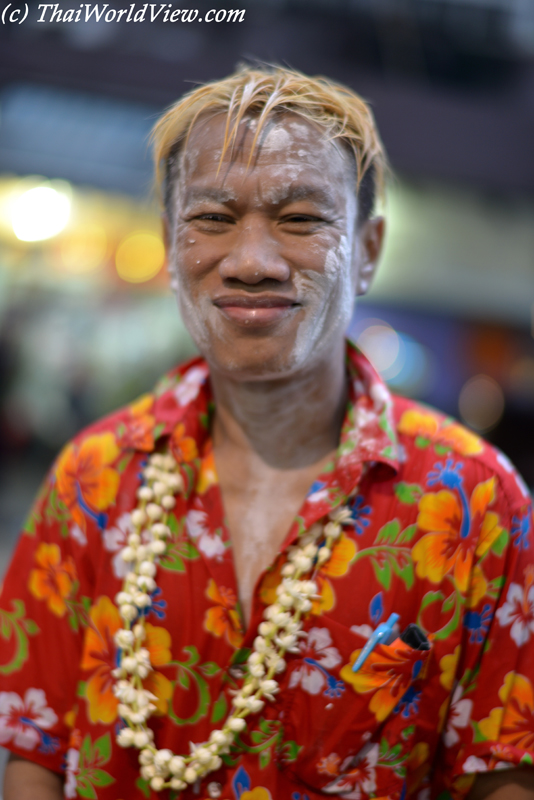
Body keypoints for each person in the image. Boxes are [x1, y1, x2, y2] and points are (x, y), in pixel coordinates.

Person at [1, 64, 533, 800]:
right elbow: (36, 753)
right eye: (213, 219)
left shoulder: (476, 503)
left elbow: (503, 773)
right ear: (170, 244)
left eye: (302, 219)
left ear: (368, 250)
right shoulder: (94, 479)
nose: (250, 261)